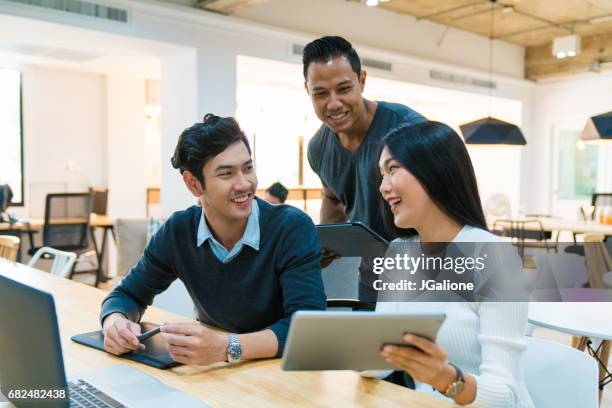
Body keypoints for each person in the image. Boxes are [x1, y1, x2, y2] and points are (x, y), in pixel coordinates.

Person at [100, 114, 326, 365]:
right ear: (194, 184)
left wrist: (228, 348)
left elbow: (308, 328)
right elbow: (127, 295)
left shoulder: (291, 227)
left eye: (248, 168)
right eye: (226, 173)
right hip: (214, 372)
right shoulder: (178, 231)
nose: (244, 184)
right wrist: (115, 323)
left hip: (279, 370)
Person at [375, 121, 534, 407]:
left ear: (435, 171)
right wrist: (340, 349)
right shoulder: (399, 253)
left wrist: (445, 378)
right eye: (381, 174)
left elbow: (505, 397)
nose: (383, 187)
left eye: (393, 169)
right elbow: (379, 361)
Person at [303, 35, 425, 302]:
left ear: (362, 80)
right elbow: (332, 196)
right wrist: (327, 243)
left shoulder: (407, 128)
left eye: (344, 88)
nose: (333, 103)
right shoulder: (318, 148)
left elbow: (442, 202)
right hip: (372, 277)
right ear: (307, 91)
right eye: (320, 93)